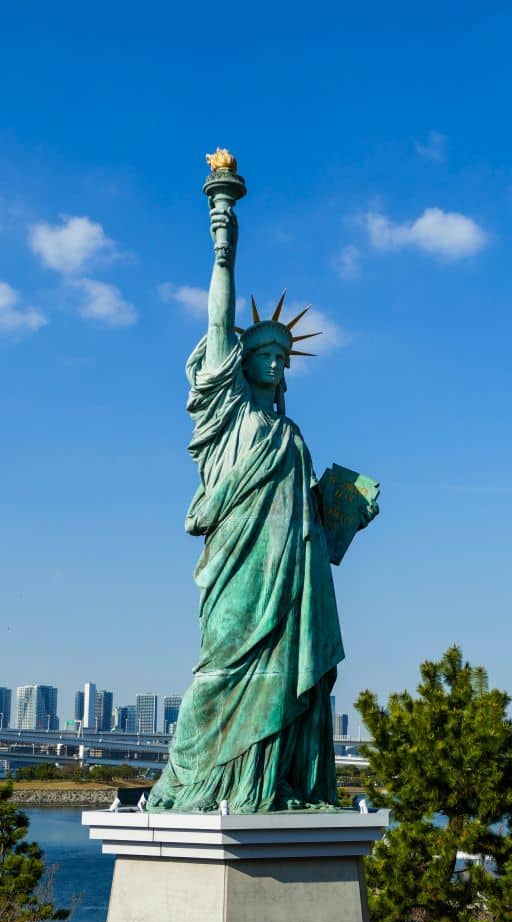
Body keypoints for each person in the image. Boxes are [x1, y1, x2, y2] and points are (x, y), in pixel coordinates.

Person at [148, 198, 377, 813]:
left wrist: (344, 510)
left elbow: (312, 523)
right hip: (239, 566)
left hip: (292, 577)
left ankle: (274, 784)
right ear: (240, 365)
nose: (276, 363)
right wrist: (224, 250)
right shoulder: (229, 415)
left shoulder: (291, 434)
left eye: (282, 356)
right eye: (264, 354)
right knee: (221, 666)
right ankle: (196, 782)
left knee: (284, 678)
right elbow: (219, 325)